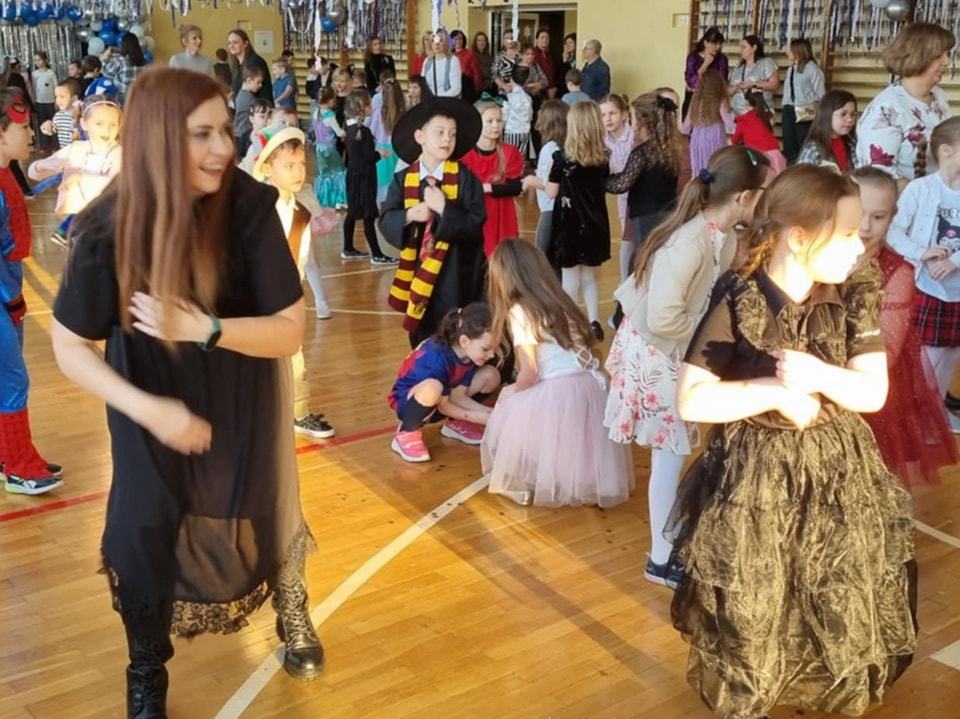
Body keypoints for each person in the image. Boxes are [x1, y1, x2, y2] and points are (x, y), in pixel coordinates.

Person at [51, 68, 325, 718]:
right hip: (148, 410)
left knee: (267, 506)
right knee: (143, 528)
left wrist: (207, 328)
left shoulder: (249, 207)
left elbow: (289, 330)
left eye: (226, 130)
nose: (223, 148)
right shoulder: (106, 227)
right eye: (202, 134)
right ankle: (146, 669)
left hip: (242, 398)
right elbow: (69, 345)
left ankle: (292, 604)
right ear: (157, 139)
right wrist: (148, 410)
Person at [670, 163, 915, 718]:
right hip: (756, 481)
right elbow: (692, 400)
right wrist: (773, 391)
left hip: (838, 472)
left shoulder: (855, 290)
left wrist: (817, 374)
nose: (860, 244)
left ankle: (815, 689)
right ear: (800, 238)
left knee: (832, 587)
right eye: (846, 233)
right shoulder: (741, 296)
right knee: (756, 597)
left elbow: (872, 392)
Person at [604, 146, 770, 587]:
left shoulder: (723, 234)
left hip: (673, 349)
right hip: (658, 353)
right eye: (763, 194)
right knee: (669, 455)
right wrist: (714, 338)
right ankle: (660, 559)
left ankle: (668, 541)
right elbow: (664, 319)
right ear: (744, 198)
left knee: (672, 454)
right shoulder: (689, 243)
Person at [483, 239, 633, 507]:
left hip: (559, 389)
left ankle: (519, 481)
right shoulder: (560, 300)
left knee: (508, 407)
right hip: (591, 386)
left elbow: (530, 373)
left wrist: (509, 391)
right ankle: (587, 483)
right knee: (580, 439)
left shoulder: (520, 311)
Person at [849, 166, 958, 486]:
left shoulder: (897, 273)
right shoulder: (823, 253)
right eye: (858, 213)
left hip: (872, 388)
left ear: (892, 220)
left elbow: (886, 353)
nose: (865, 226)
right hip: (823, 384)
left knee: (868, 473)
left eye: (878, 217)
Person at [380, 97, 486, 347]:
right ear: (420, 137)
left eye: (452, 133)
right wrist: (409, 215)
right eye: (440, 132)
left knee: (457, 336)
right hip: (418, 273)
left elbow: (476, 223)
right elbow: (386, 218)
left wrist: (444, 210)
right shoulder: (403, 179)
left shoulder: (466, 179)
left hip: (457, 273)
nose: (447, 139)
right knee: (423, 338)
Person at [252, 126, 336, 435]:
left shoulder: (300, 212)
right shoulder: (255, 208)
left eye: (301, 164)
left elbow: (299, 260)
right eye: (288, 165)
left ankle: (298, 413)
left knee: (293, 356)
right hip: (253, 300)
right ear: (267, 168)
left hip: (284, 299)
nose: (298, 172)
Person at [0, 90, 62, 495]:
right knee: (12, 380)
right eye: (22, 128)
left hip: (8, 293)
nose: (29, 135)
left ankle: (11, 456)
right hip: (2, 297)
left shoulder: (6, 175)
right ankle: (18, 467)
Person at [886, 116, 960, 431]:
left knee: (953, 351)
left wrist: (955, 260)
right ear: (946, 151)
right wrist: (921, 252)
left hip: (957, 289)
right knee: (928, 356)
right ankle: (919, 416)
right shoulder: (921, 189)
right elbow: (894, 231)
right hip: (929, 288)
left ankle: (936, 412)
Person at [388, 303, 500, 462]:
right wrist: (475, 417)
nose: (492, 354)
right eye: (486, 348)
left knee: (490, 375)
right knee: (433, 388)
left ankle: (455, 423)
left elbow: (459, 395)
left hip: (443, 395)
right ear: (465, 341)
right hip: (409, 400)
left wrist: (491, 413)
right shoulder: (437, 356)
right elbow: (443, 405)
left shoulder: (467, 353)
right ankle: (406, 432)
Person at [857, 22, 954, 187]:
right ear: (918, 57)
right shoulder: (886, 110)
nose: (947, 62)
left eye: (947, 54)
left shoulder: (939, 97)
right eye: (939, 56)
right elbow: (882, 180)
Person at [544, 100, 610, 341]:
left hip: (569, 225)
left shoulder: (561, 159)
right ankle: (594, 321)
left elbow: (551, 192)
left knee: (570, 280)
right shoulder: (603, 158)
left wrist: (537, 181)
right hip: (595, 224)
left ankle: (571, 324)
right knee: (590, 278)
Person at [605, 91, 683, 281]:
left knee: (644, 262)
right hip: (668, 213)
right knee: (659, 261)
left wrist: (596, 178)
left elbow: (621, 184)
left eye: (632, 118)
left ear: (642, 122)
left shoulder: (642, 152)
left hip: (646, 216)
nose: (631, 123)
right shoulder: (669, 149)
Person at [28, 95, 122, 244]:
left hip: (109, 225)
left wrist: (79, 177)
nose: (106, 129)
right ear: (84, 123)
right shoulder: (76, 149)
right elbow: (34, 174)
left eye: (113, 124)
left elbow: (114, 185)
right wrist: (40, 166)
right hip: (81, 227)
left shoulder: (119, 153)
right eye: (99, 123)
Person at [462, 99, 524, 257]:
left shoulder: (510, 152)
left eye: (499, 120)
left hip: (503, 214)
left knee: (503, 260)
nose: (496, 125)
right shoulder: (464, 155)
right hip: (474, 213)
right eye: (490, 121)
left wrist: (490, 188)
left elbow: (516, 187)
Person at [342, 89, 394, 264]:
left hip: (353, 176)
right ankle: (377, 254)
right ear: (362, 108)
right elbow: (369, 157)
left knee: (353, 212)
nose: (372, 106)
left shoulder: (349, 127)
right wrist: (380, 153)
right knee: (368, 215)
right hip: (365, 178)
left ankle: (348, 248)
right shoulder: (363, 131)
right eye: (369, 104)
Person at [523, 100, 568, 253]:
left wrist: (530, 180)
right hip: (562, 209)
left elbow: (549, 183)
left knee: (541, 255)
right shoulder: (564, 147)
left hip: (550, 209)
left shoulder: (549, 149)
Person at [601, 93, 635, 260]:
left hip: (638, 193)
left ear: (624, 114)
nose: (607, 119)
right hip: (622, 196)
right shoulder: (602, 141)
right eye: (603, 115)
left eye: (612, 113)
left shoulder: (634, 137)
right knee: (626, 235)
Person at [681, 69, 734, 175]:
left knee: (698, 171)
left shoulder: (695, 101)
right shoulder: (720, 100)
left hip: (697, 139)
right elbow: (730, 124)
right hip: (714, 138)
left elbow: (685, 128)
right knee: (714, 170)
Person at [781, 38, 825, 163]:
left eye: (790, 50)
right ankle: (792, 166)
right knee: (789, 142)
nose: (787, 52)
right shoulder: (791, 69)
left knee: (803, 141)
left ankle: (804, 167)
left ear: (798, 51)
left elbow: (821, 93)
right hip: (789, 107)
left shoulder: (812, 69)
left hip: (805, 108)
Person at [797, 89, 860, 172]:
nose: (850, 119)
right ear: (827, 114)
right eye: (843, 114)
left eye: (853, 114)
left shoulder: (853, 144)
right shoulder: (813, 150)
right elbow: (803, 178)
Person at [731, 90, 786, 174]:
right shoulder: (766, 116)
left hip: (758, 157)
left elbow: (735, 140)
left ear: (747, 103)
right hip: (776, 155)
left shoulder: (744, 120)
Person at [370, 76, 404, 205]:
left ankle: (382, 206)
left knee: (382, 181)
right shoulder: (403, 112)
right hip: (397, 149)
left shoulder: (379, 111)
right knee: (395, 179)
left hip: (381, 150)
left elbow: (372, 131)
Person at [312, 85, 347, 209]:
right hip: (329, 149)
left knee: (324, 173)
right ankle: (339, 199)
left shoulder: (315, 113)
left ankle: (324, 198)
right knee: (338, 171)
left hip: (319, 148)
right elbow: (339, 132)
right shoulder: (330, 116)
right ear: (331, 100)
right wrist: (346, 132)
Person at [683, 26, 728, 119]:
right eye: (715, 43)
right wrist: (705, 65)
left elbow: (721, 80)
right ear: (705, 43)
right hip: (694, 99)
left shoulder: (721, 59)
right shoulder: (693, 58)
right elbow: (692, 83)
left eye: (720, 43)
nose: (718, 46)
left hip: (713, 100)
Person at [729, 34, 779, 117]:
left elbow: (774, 85)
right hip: (738, 114)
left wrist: (754, 84)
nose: (741, 50)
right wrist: (735, 88)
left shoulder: (766, 63)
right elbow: (728, 90)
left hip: (759, 112)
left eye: (744, 47)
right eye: (740, 47)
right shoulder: (738, 67)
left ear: (754, 48)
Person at [227, 28, 273, 103]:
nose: (231, 46)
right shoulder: (236, 64)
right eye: (229, 43)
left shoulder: (255, 62)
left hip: (257, 107)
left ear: (245, 43)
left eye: (235, 42)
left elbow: (258, 91)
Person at [101, 32, 148, 105]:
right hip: (139, 96)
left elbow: (106, 72)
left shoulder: (120, 60)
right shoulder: (144, 61)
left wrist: (105, 59)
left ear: (123, 45)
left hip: (123, 97)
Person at [39, 78, 81, 150]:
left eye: (62, 97)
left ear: (74, 98)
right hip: (65, 153)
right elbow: (52, 130)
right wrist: (46, 127)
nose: (58, 100)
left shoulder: (82, 114)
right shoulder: (58, 116)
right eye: (56, 97)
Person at [233, 65, 263, 160]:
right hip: (243, 135)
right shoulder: (249, 98)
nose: (260, 85)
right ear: (249, 81)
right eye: (258, 82)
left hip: (238, 133)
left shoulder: (240, 94)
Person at [502, 71, 534, 158]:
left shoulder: (509, 96)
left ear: (511, 80)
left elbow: (505, 115)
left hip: (512, 131)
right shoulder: (528, 97)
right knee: (521, 157)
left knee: (509, 156)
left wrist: (503, 125)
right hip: (525, 131)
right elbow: (530, 115)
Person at [423, 30, 462, 99]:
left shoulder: (453, 60)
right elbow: (422, 83)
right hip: (429, 100)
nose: (437, 44)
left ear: (446, 43)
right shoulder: (427, 61)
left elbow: (456, 88)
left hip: (446, 101)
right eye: (433, 40)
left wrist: (439, 98)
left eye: (440, 40)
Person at [31, 52, 57, 152]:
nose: (37, 62)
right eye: (35, 60)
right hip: (40, 102)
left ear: (45, 60)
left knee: (53, 123)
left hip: (51, 102)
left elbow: (55, 86)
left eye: (39, 60)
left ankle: (55, 145)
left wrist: (56, 100)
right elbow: (33, 88)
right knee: (42, 124)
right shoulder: (34, 74)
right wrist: (34, 100)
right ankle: (44, 146)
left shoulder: (51, 73)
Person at [450, 30, 480, 103]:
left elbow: (476, 72)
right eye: (455, 39)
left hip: (466, 87)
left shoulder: (469, 53)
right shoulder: (449, 55)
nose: (458, 41)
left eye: (460, 38)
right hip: (452, 87)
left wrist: (477, 89)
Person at [533, 29, 557, 100]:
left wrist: (552, 88)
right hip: (538, 91)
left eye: (547, 38)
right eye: (542, 37)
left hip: (550, 91)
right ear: (537, 40)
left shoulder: (549, 55)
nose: (545, 40)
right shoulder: (533, 54)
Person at [556, 32, 577, 97]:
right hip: (562, 90)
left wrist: (566, 62)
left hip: (573, 90)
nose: (568, 45)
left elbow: (570, 75)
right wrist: (564, 61)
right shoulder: (563, 57)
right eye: (566, 43)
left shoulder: (578, 59)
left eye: (570, 43)